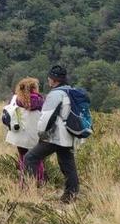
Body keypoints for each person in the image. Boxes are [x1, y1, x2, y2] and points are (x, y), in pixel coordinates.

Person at [24, 65, 80, 203]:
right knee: (68, 165)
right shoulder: (71, 91)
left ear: (54, 80)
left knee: (30, 158)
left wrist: (41, 133)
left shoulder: (55, 94)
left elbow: (47, 117)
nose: (48, 80)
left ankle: (31, 191)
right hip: (69, 135)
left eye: (49, 77)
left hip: (54, 136)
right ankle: (70, 196)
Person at [3, 77, 46, 185]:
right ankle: (39, 181)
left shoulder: (16, 100)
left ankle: (24, 181)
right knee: (38, 159)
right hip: (35, 135)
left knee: (23, 158)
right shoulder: (40, 101)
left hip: (20, 135)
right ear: (34, 88)